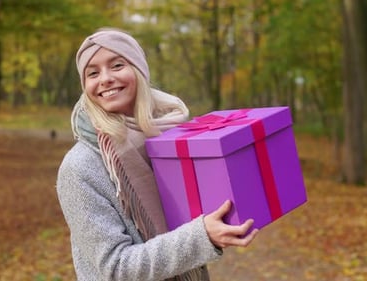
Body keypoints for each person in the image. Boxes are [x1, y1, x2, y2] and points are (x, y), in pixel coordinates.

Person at [56, 28, 258, 281]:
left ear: (139, 71)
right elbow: (114, 267)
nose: (105, 79)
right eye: (93, 73)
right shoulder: (80, 167)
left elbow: (188, 218)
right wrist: (201, 237)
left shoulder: (167, 141)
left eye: (117, 65)